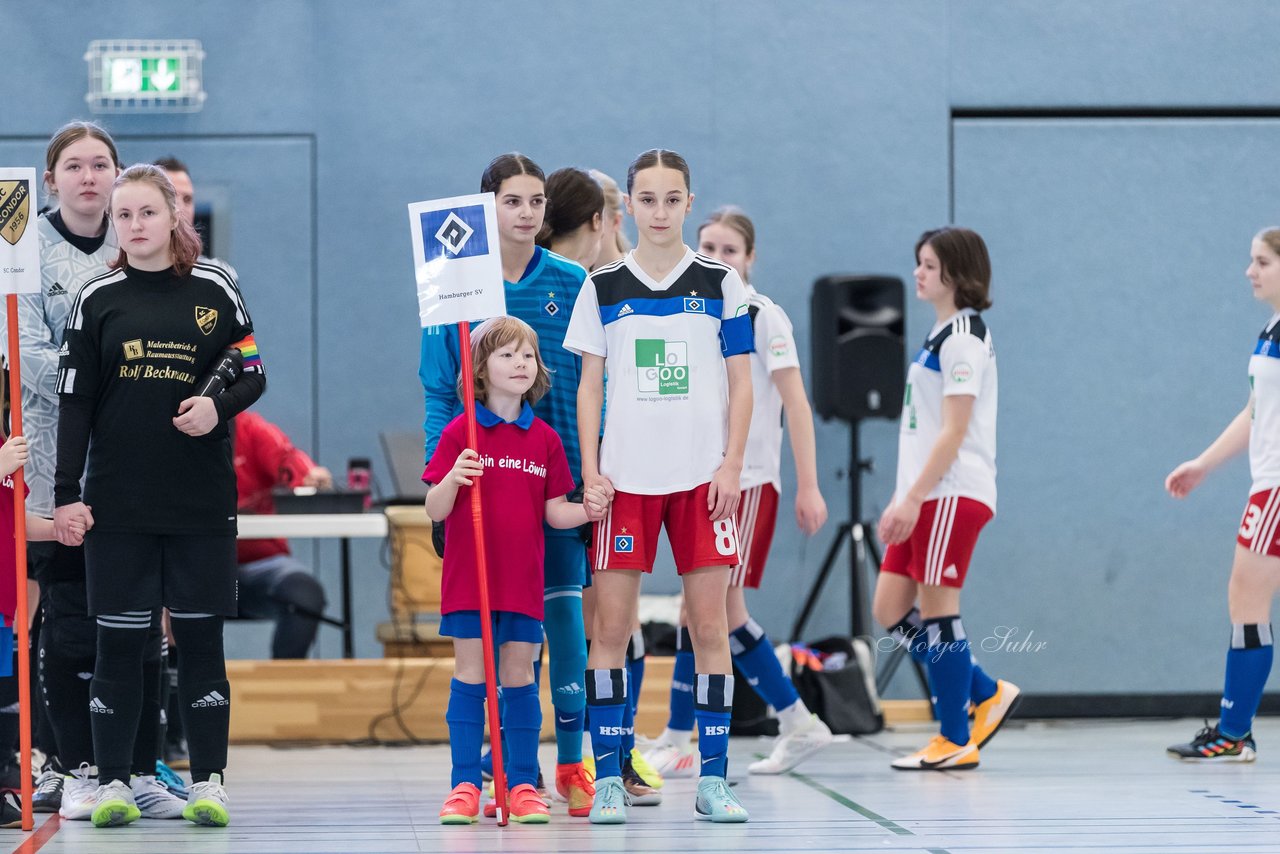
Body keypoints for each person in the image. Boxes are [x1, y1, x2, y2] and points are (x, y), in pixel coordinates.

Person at [53, 163, 265, 827]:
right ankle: (114, 782)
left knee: (201, 646)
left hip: (201, 505)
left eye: (147, 212)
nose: (135, 226)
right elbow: (75, 406)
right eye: (124, 216)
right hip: (118, 505)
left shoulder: (217, 287)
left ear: (175, 215)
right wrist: (66, 494)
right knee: (117, 646)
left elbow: (254, 370)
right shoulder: (98, 298)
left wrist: (216, 407)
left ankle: (209, 783)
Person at [565, 149, 753, 824]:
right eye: (647, 199)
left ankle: (713, 780)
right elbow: (589, 385)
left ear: (689, 203)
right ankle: (610, 777)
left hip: (703, 483)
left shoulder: (720, 283)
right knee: (611, 628)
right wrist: (591, 469)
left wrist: (731, 465)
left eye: (673, 199)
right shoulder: (604, 286)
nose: (660, 212)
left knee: (708, 627)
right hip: (626, 486)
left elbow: (740, 380)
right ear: (630, 207)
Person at [419, 153, 595, 815]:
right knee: (485, 651)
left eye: (536, 202)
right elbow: (439, 385)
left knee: (559, 629)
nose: (526, 213)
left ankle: (570, 764)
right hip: (478, 482)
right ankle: (489, 771)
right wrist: (443, 479)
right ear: (487, 207)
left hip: (553, 477)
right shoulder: (454, 283)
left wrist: (589, 474)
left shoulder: (573, 280)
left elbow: (587, 385)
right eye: (512, 201)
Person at [646, 206, 834, 777]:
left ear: (749, 259)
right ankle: (700, 730)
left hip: (749, 482)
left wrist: (809, 485)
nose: (717, 258)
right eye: (708, 247)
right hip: (703, 480)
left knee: (720, 609)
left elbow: (797, 404)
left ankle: (785, 722)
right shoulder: (695, 312)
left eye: (729, 249)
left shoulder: (762, 314)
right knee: (699, 610)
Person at [425, 316, 607, 824]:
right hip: (469, 582)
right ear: (480, 369)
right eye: (507, 354)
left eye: (528, 354)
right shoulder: (461, 430)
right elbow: (434, 509)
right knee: (470, 677)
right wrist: (454, 480)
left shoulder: (544, 438)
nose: (521, 362)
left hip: (524, 582)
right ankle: (464, 784)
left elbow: (555, 513)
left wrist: (589, 509)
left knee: (520, 677)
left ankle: (522, 783)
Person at [871, 227, 1018, 772]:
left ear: (956, 274)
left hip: (950, 493)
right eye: (919, 262)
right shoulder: (941, 335)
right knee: (889, 607)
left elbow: (953, 431)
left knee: (939, 612)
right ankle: (982, 689)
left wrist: (911, 497)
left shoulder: (964, 338)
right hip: (926, 494)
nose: (918, 273)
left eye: (929, 265)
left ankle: (955, 736)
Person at [1165, 227, 1280, 762]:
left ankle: (1234, 732)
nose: (1249, 271)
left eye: (1261, 261)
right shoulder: (1271, 331)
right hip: (1267, 483)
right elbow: (1257, 411)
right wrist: (1204, 464)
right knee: (1245, 599)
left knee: (1246, 598)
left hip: (1276, 488)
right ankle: (1237, 730)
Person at [233, 412, 330, 658]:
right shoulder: (168, 433)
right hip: (191, 569)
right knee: (154, 596)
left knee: (303, 594)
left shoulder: (253, 429)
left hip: (260, 564)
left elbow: (292, 463)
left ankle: (285, 690)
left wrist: (311, 479)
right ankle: (173, 689)